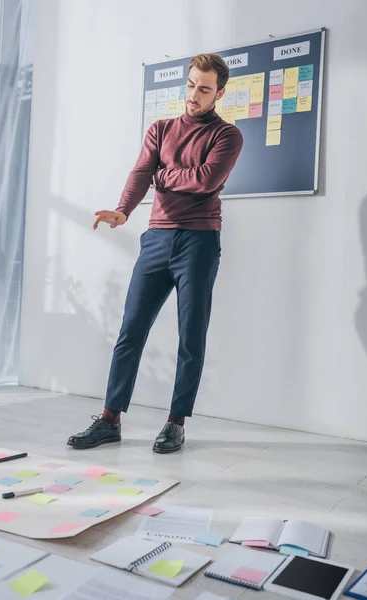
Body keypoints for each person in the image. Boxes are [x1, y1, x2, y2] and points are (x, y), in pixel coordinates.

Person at [67, 53, 243, 453]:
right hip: (157, 239)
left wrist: (162, 175)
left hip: (199, 241)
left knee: (191, 336)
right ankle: (110, 419)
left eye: (204, 89)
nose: (194, 95)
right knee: (131, 331)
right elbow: (139, 173)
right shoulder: (161, 129)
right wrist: (124, 210)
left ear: (219, 92)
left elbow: (205, 180)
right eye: (190, 85)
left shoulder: (227, 136)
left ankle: (175, 422)